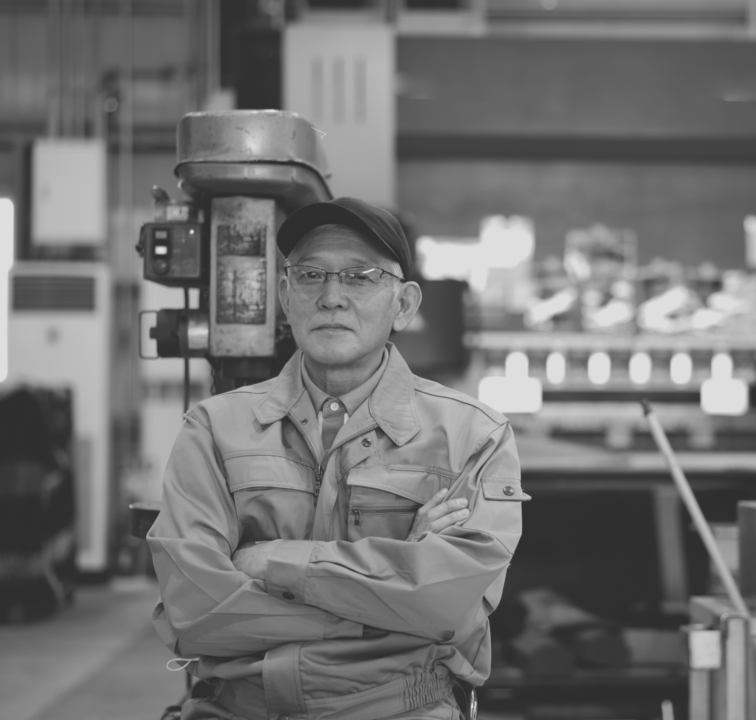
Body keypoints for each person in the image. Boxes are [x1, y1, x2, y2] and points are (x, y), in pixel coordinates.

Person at [147, 197, 527, 720]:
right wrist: (395, 594)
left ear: (404, 304)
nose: (331, 297)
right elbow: (194, 613)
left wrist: (273, 562)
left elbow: (448, 606)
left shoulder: (473, 436)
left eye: (360, 277)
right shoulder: (213, 428)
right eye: (311, 275)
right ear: (285, 296)